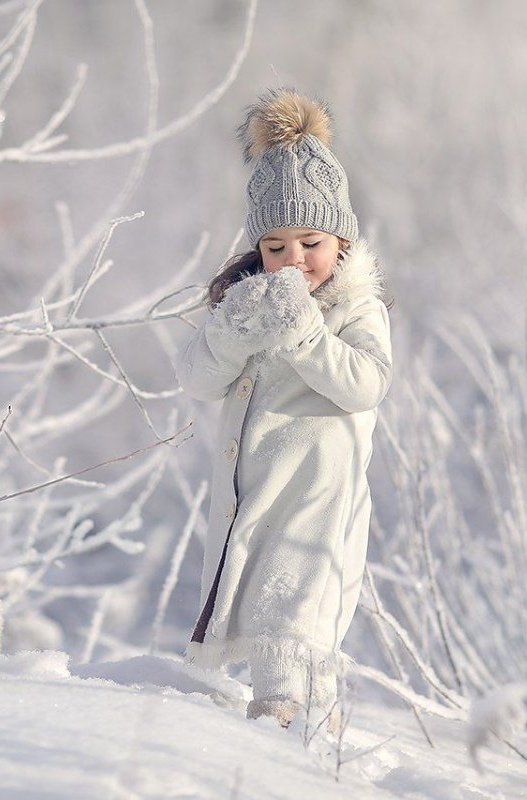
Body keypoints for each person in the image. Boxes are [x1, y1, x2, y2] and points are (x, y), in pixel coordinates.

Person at [174, 88, 393, 735]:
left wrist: (304, 334)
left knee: (293, 618)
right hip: (254, 497)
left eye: (310, 242)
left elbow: (367, 383)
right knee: (265, 611)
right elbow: (197, 379)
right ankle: (307, 734)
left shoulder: (356, 307)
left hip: (316, 500)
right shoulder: (252, 303)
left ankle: (281, 731)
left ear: (342, 239)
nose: (293, 260)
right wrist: (231, 332)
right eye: (274, 247)